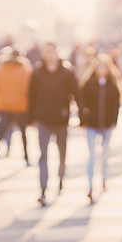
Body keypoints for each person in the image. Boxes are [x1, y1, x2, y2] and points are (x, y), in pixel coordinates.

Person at [27, 42, 80, 206]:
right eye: (46, 51)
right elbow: (31, 95)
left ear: (57, 53)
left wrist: (81, 115)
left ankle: (61, 179)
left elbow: (76, 93)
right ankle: (43, 189)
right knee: (43, 155)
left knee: (62, 153)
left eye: (51, 51)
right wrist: (31, 119)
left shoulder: (67, 72)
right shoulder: (37, 72)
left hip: (61, 119)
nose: (48, 54)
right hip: (43, 119)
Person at [79, 53, 122, 203]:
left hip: (107, 124)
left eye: (104, 66)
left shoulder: (112, 84)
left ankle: (104, 180)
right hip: (92, 123)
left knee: (105, 155)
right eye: (99, 66)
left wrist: (114, 120)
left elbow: (116, 105)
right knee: (92, 156)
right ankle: (91, 185)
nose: (101, 69)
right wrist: (84, 119)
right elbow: (82, 103)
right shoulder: (89, 83)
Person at [0, 47, 32, 169]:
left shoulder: (1, 69)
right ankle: (27, 159)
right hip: (20, 107)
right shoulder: (25, 70)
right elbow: (28, 91)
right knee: (23, 135)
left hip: (5, 107)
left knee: (0, 135)